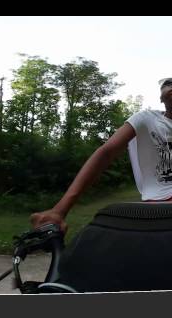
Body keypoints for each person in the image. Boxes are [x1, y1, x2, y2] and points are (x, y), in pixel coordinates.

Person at [31, 77, 172, 233]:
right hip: (159, 206)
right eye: (167, 85)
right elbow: (106, 153)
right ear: (161, 98)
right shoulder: (147, 119)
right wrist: (60, 210)